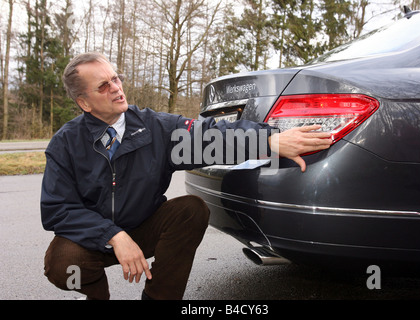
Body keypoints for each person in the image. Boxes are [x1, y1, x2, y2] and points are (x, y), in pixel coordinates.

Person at [41, 52, 332, 300]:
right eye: (104, 86)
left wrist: (270, 141)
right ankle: (97, 296)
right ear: (84, 103)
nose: (117, 88)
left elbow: (212, 137)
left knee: (191, 210)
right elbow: (58, 210)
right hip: (93, 240)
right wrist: (113, 236)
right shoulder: (65, 143)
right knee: (63, 265)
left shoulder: (155, 128)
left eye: (116, 79)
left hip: (144, 227)